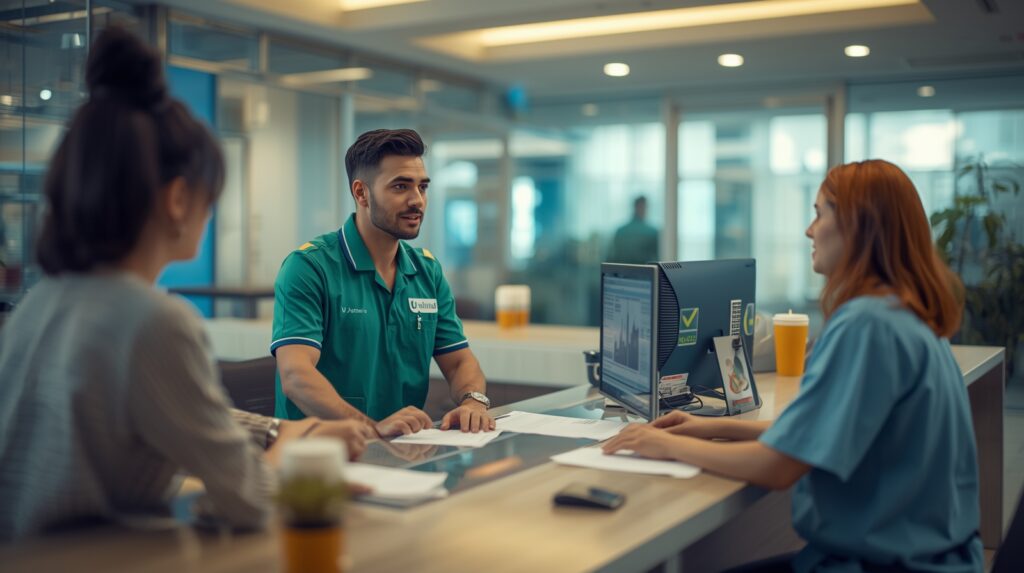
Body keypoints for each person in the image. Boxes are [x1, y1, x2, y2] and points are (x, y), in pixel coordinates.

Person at [0, 28, 373, 541]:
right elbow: (248, 500)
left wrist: (278, 431)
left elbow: (165, 410)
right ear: (178, 199)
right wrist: (299, 461)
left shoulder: (40, 304)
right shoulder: (153, 320)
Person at [604, 160, 981, 573]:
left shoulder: (867, 324)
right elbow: (822, 433)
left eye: (820, 213)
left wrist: (665, 445)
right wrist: (711, 425)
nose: (809, 229)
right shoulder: (910, 315)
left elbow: (779, 467)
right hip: (933, 558)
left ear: (858, 225)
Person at [272, 129, 495, 435]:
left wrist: (473, 402)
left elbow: (459, 363)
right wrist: (373, 429)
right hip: (318, 459)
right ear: (361, 193)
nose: (417, 200)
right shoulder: (309, 267)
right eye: (401, 186)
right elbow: (296, 375)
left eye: (422, 187)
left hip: (403, 452)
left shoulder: (427, 271)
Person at [607, 196, 659, 264]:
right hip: (644, 273)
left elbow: (611, 257)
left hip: (622, 272)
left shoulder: (620, 231)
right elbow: (656, 260)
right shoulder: (652, 232)